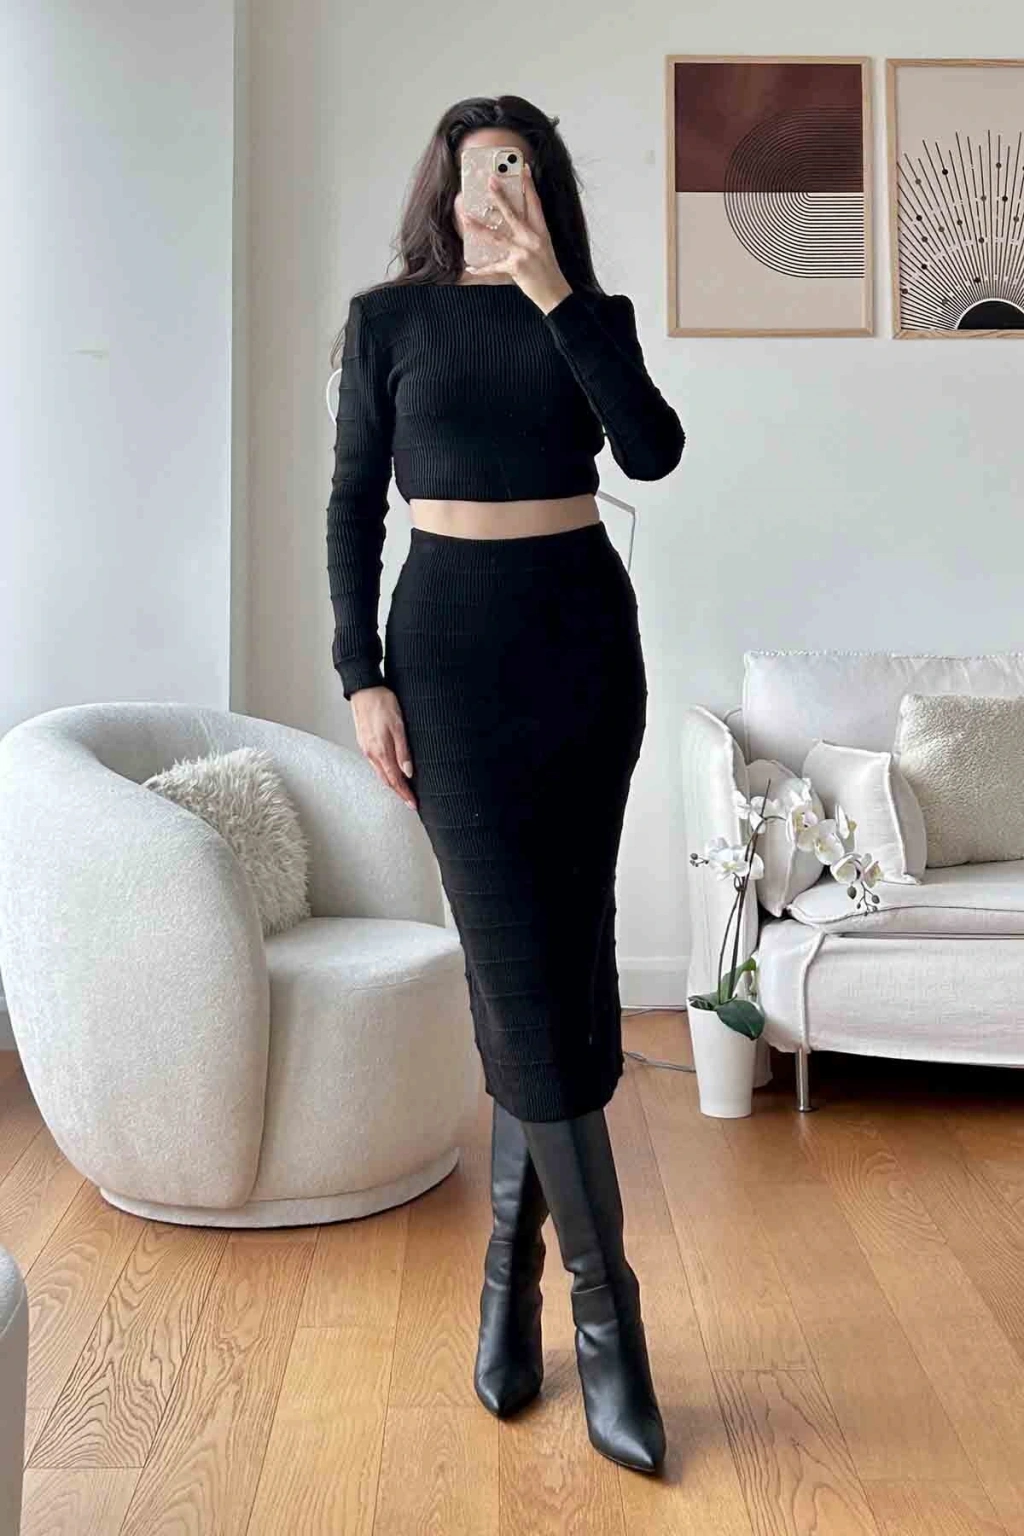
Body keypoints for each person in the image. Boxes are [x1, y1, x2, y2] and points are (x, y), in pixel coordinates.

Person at [326, 94, 684, 1475]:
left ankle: (507, 1282)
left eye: (518, 168)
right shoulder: (388, 322)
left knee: (560, 972)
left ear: (544, 188)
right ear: (446, 186)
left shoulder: (588, 312)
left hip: (583, 651)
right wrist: (360, 674)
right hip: (449, 665)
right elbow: (353, 502)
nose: (497, 189)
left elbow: (650, 450)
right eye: (479, 169)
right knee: (522, 975)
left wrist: (553, 295)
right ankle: (609, 1322)